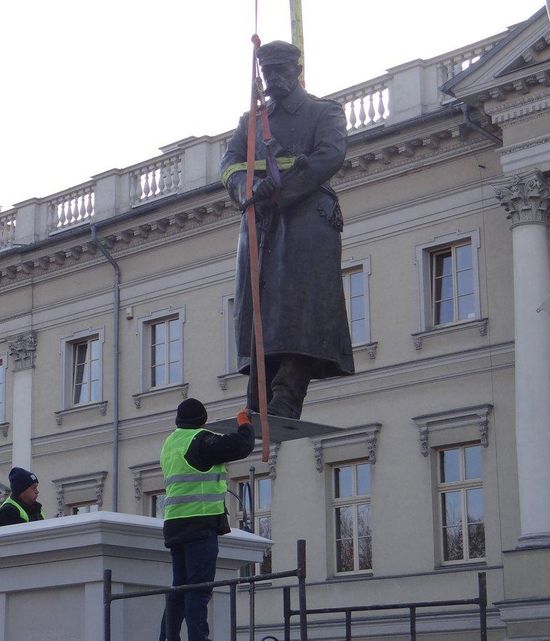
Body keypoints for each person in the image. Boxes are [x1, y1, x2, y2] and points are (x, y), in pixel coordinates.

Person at [219, 39, 354, 419]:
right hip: (260, 221)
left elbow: (330, 155)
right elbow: (229, 164)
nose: (274, 79)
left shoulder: (323, 112)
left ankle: (288, 393)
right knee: (259, 310)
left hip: (305, 216)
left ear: (297, 71)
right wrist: (247, 188)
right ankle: (258, 395)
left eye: (281, 71)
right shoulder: (251, 121)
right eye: (267, 73)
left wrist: (278, 191)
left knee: (300, 309)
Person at [159, 398, 255, 641]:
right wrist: (244, 424)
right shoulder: (200, 440)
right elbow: (240, 446)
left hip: (175, 524)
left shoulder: (170, 443)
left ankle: (168, 638)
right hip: (199, 524)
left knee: (179, 588)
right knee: (198, 589)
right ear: (202, 420)